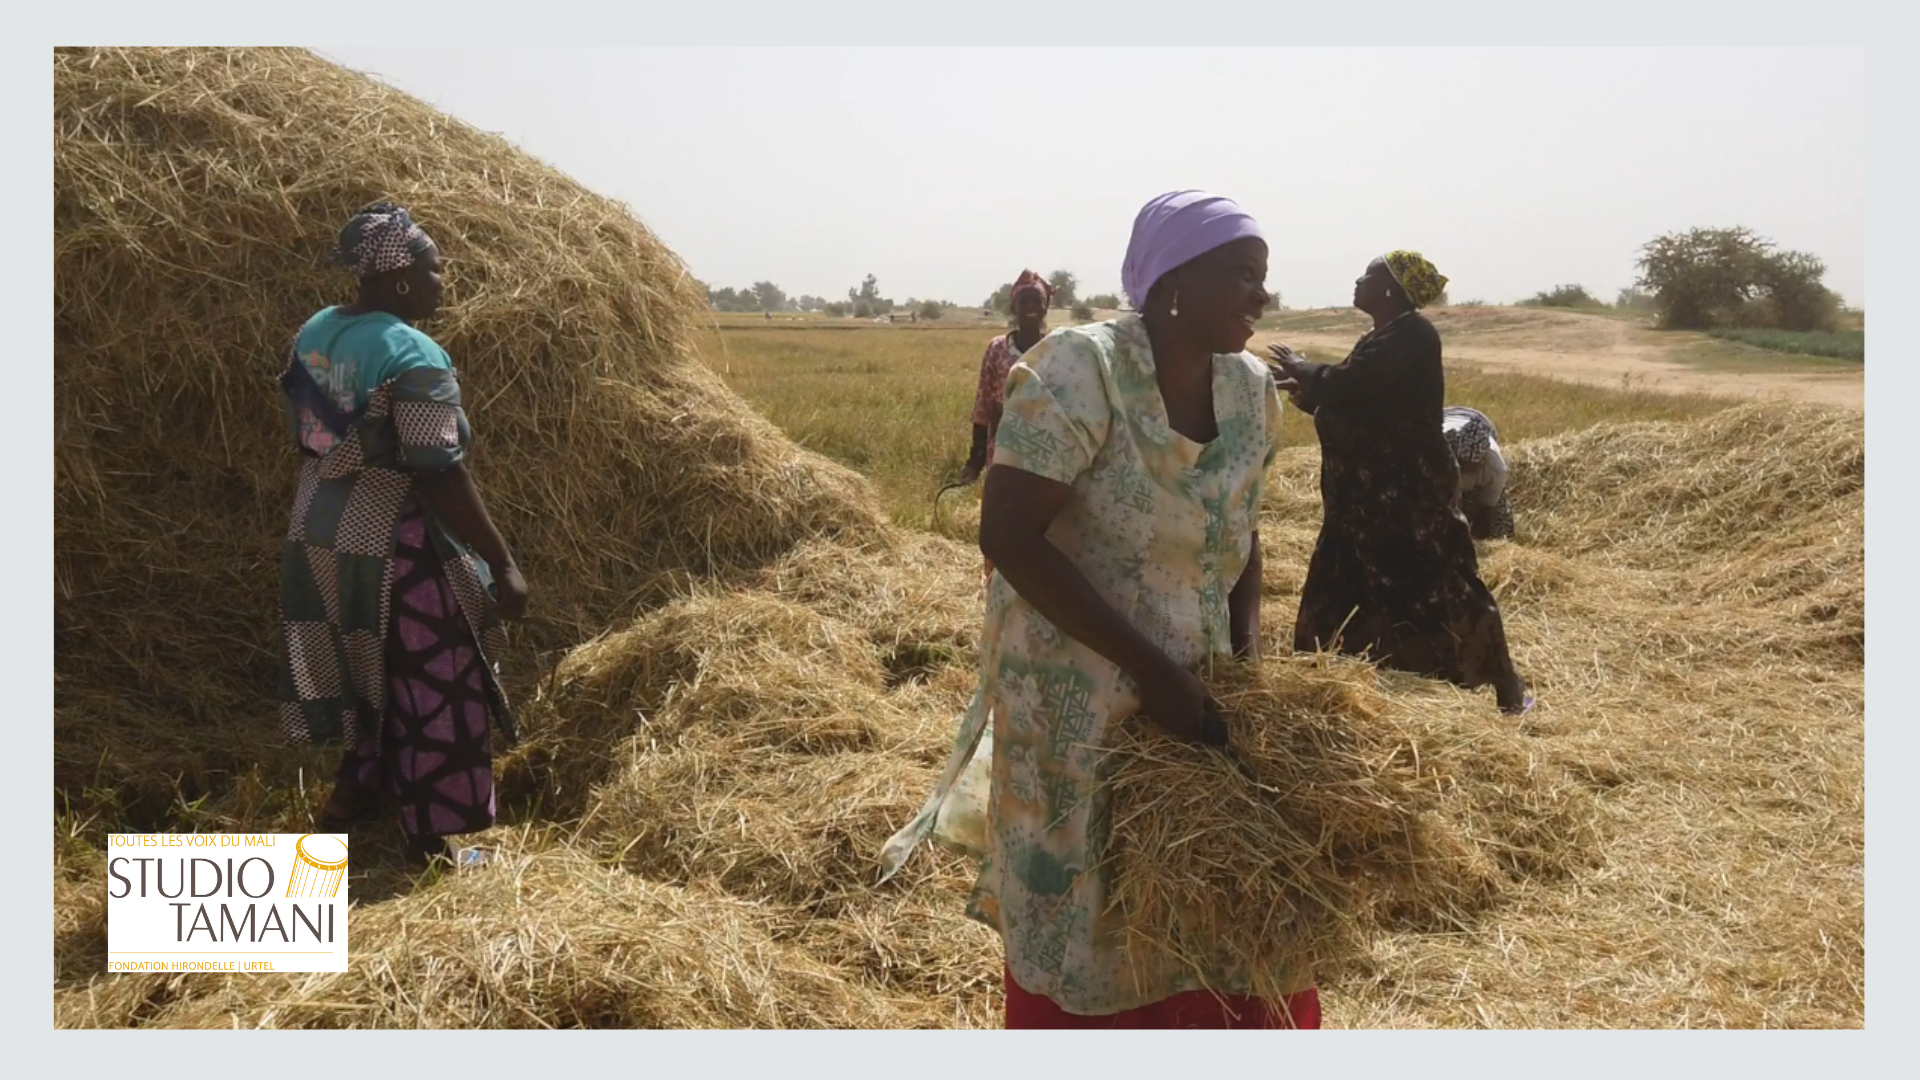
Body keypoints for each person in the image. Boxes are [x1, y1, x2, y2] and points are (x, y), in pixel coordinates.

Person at [881, 191, 1320, 1029]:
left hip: (1196, 687)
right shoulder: (1080, 370)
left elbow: (1243, 531)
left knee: (1220, 902)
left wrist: (1244, 662)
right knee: (1091, 899)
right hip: (1075, 697)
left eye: (1263, 279)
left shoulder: (1251, 389)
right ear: (1170, 282)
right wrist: (1149, 671)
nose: (1259, 297)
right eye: (1241, 275)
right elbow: (1009, 533)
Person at [276, 203, 530, 868]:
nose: (442, 281)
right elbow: (439, 471)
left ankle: (347, 809)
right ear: (398, 282)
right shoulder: (412, 354)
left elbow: (310, 434)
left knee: (370, 674)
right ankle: (432, 844)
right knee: (437, 675)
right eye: (433, 269)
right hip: (389, 540)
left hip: (319, 534)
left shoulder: (317, 331)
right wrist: (502, 563)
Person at [1267, 252, 1530, 714]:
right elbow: (1357, 406)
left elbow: (1349, 383)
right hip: (1366, 500)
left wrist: (1306, 368)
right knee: (1345, 582)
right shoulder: (1381, 338)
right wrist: (1308, 390)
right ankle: (1324, 686)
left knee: (1443, 584)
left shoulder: (1413, 334)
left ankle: (1504, 680)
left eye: (1368, 273)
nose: (1358, 279)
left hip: (1410, 495)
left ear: (1392, 287)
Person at [958, 270, 1053, 486]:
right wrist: (975, 461)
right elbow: (983, 405)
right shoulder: (997, 348)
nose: (1030, 307)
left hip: (1044, 451)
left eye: (1036, 301)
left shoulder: (1055, 349)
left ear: (1045, 307)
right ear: (1014, 307)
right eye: (1024, 301)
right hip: (1002, 450)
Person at [1443, 405, 1514, 540]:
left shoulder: (1496, 469)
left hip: (1483, 421)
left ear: (1483, 460)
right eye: (1462, 463)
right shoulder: (1440, 454)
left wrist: (1478, 539)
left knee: (1500, 523)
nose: (1465, 470)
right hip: (1448, 416)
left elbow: (1487, 508)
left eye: (1471, 466)